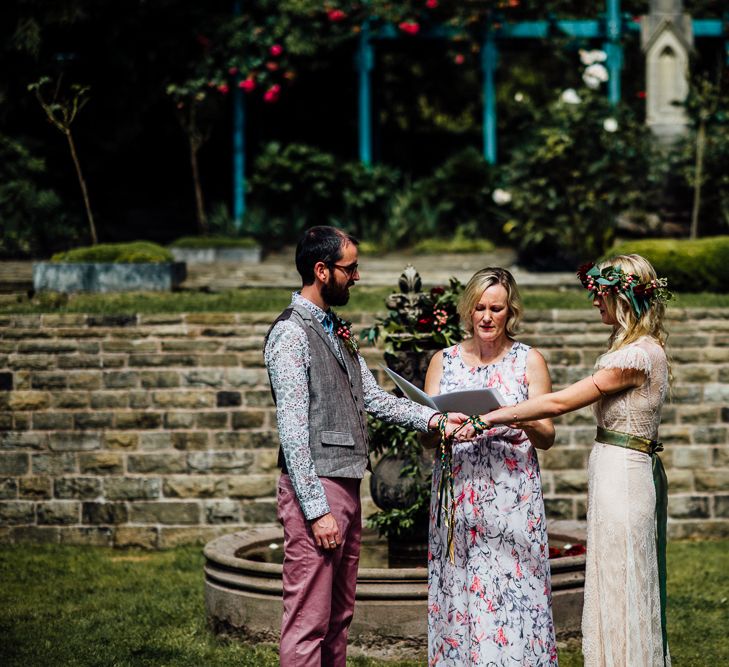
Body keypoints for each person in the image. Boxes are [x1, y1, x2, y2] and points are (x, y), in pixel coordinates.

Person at [264, 225, 469, 667]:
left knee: (338, 617)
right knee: (308, 621)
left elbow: (372, 397)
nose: (357, 276)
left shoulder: (333, 327)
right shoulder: (290, 334)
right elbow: (294, 432)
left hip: (346, 484)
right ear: (322, 271)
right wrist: (317, 511)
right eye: (349, 267)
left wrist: (434, 418)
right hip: (316, 489)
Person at [480, 254, 672, 667]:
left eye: (600, 295)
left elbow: (563, 400)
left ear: (623, 298)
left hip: (623, 475)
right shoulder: (636, 348)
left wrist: (493, 414)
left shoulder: (636, 356)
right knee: (612, 579)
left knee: (622, 583)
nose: (594, 303)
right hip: (615, 469)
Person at [425, 267, 558, 666]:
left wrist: (513, 415)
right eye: (479, 307)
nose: (486, 317)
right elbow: (425, 434)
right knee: (460, 592)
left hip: (511, 497)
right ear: (468, 310)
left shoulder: (528, 360)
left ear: (509, 311)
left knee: (515, 594)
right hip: (458, 494)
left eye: (496, 308)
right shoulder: (443, 361)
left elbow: (547, 436)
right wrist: (442, 426)